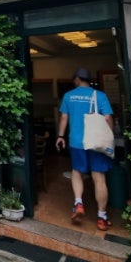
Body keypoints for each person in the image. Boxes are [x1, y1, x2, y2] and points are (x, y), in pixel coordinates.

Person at [56, 68, 115, 231]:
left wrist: (60, 136)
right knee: (99, 178)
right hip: (96, 142)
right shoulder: (100, 96)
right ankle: (102, 217)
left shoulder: (68, 96)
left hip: (77, 142)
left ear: (77, 79)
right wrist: (109, 136)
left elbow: (64, 117)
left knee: (76, 172)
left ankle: (78, 203)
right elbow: (108, 117)